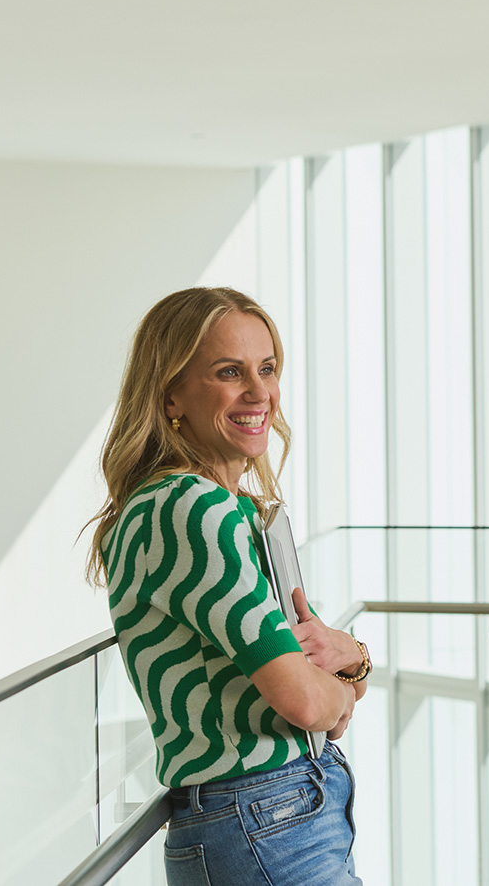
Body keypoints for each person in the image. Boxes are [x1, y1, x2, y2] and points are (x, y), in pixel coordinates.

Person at [85, 286, 371, 886]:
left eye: (267, 369)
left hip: (273, 815)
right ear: (170, 396)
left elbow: (326, 658)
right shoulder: (190, 508)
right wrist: (343, 687)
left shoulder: (234, 511)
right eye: (228, 372)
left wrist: (352, 659)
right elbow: (308, 700)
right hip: (266, 817)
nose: (260, 393)